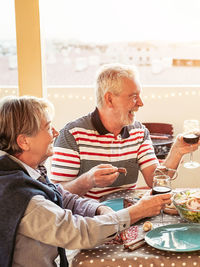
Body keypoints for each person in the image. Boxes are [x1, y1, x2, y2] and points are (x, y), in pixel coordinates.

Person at [0, 96, 171, 266]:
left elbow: (63, 197)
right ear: (24, 141)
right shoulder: (20, 195)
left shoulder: (24, 171)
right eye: (47, 127)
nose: (55, 132)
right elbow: (79, 232)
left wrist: (99, 209)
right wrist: (137, 211)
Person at [51, 63, 200, 199]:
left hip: (129, 216)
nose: (141, 103)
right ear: (109, 99)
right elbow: (56, 194)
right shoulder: (71, 135)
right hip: (90, 221)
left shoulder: (139, 132)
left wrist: (177, 152)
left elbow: (155, 181)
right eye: (134, 96)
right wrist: (87, 181)